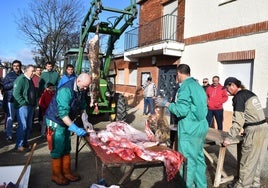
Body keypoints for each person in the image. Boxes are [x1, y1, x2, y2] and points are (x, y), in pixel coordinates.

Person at [156, 64, 208, 187]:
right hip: (201, 127)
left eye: (176, 76)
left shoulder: (185, 87)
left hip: (189, 129)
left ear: (179, 74)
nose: (176, 78)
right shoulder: (198, 86)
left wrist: (166, 103)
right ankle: (202, 185)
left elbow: (182, 110)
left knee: (187, 161)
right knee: (199, 158)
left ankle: (187, 185)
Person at [45, 73, 91, 185]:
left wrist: (85, 122)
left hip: (67, 121)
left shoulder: (81, 90)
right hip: (56, 120)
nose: (85, 89)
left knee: (66, 147)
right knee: (57, 147)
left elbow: (83, 107)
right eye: (84, 86)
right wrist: (75, 128)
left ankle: (66, 172)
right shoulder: (65, 90)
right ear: (78, 81)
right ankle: (56, 175)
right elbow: (63, 114)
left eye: (86, 87)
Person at [223, 77, 268, 188]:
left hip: (253, 131)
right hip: (264, 127)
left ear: (232, 85)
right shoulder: (250, 93)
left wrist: (229, 138)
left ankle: (243, 185)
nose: (226, 91)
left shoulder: (239, 97)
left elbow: (238, 121)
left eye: (227, 88)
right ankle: (255, 184)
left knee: (247, 160)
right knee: (257, 159)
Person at [13, 65, 36, 152]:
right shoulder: (21, 79)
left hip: (30, 106)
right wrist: (23, 103)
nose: (33, 73)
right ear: (26, 71)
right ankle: (19, 145)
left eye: (34, 71)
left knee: (28, 126)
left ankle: (25, 143)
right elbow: (16, 93)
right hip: (23, 106)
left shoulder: (30, 80)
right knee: (23, 125)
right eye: (32, 71)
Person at [3, 60, 23, 141]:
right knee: (10, 118)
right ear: (12, 66)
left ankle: (20, 135)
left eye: (17, 65)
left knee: (20, 118)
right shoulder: (9, 75)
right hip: (10, 99)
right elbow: (5, 86)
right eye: (14, 65)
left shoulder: (22, 75)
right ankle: (9, 135)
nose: (16, 67)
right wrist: (14, 83)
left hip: (20, 100)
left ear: (20, 66)